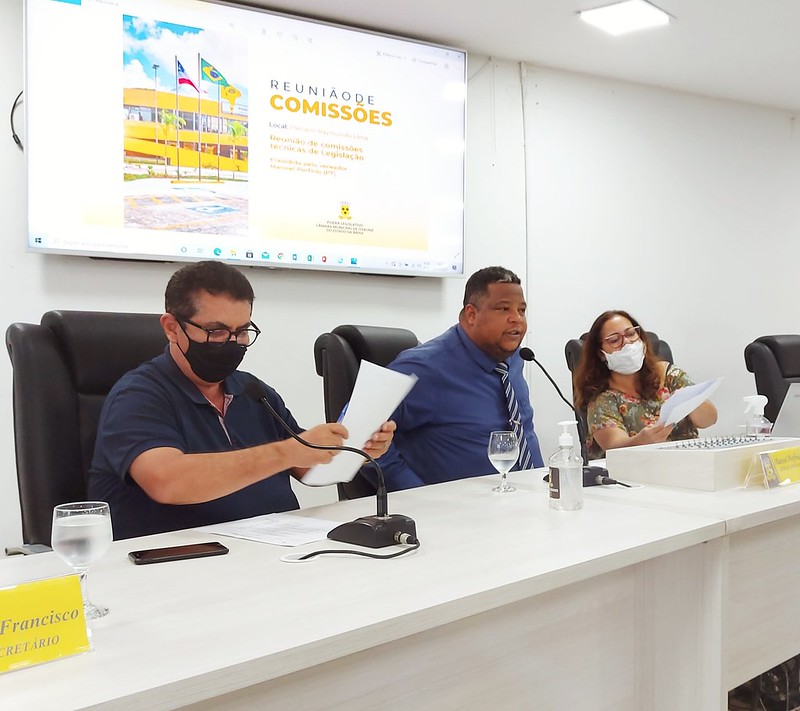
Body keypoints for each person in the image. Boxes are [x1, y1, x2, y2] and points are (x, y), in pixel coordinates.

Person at [88, 261, 395, 539]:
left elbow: (304, 466)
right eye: (216, 332)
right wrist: (287, 451)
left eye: (242, 331)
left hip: (277, 547)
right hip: (183, 560)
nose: (232, 343)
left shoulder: (253, 391)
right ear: (172, 328)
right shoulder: (138, 396)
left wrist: (355, 449)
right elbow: (167, 481)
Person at [376, 266, 544, 490]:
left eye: (521, 310)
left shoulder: (514, 359)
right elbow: (357, 436)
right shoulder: (424, 367)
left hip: (533, 495)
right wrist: (416, 494)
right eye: (504, 309)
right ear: (471, 314)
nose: (517, 319)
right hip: (461, 506)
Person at [572, 309, 717, 459]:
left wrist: (690, 399)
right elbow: (614, 449)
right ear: (601, 354)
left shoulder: (668, 374)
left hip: (689, 461)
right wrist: (640, 442)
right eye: (615, 340)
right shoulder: (601, 399)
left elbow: (709, 420)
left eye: (630, 334)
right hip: (636, 468)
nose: (627, 343)